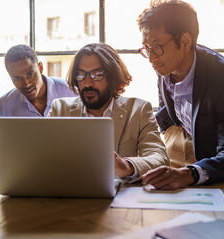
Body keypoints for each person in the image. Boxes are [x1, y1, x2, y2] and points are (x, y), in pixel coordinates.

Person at [137, 0, 224, 189]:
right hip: (195, 168)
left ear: (185, 42)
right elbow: (167, 111)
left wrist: (190, 173)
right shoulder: (164, 65)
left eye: (157, 47)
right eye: (147, 48)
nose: (151, 58)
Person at [49, 43, 169, 181]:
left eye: (97, 75)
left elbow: (160, 158)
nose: (87, 83)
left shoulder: (139, 110)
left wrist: (127, 166)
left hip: (119, 196)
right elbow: (41, 155)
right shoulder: (60, 109)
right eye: (81, 75)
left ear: (113, 77)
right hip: (70, 193)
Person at [0, 44, 75, 117]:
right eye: (17, 78)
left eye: (30, 74)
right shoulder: (4, 107)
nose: (26, 84)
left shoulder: (71, 92)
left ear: (40, 68)